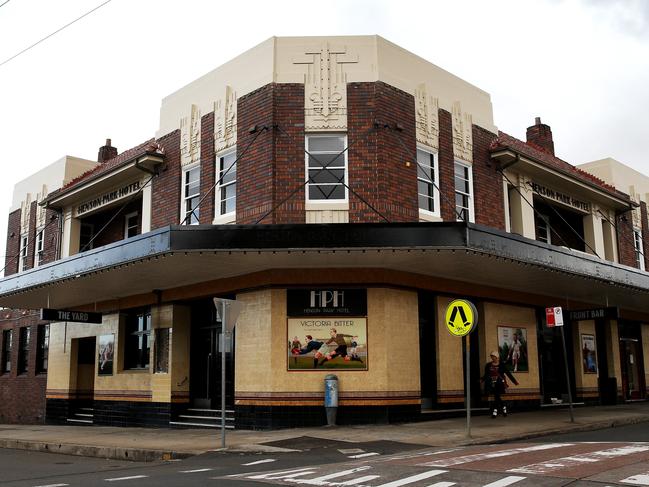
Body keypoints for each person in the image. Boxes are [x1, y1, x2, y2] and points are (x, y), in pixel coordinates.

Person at [482, 350, 518, 418]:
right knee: (497, 397)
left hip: (499, 383)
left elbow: (508, 373)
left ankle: (495, 412)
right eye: (492, 356)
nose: (493, 358)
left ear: (497, 357)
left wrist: (514, 381)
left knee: (496, 396)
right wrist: (482, 379)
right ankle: (504, 407)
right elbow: (486, 374)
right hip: (492, 383)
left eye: (494, 357)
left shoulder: (502, 365)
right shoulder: (488, 365)